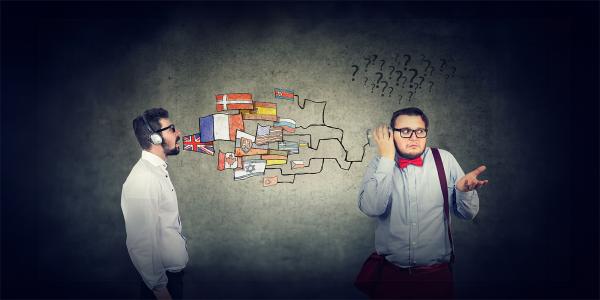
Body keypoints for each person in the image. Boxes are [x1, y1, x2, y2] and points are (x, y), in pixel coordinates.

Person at [358, 107, 488, 299]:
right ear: (390, 134)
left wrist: (462, 192)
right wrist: (386, 158)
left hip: (436, 277)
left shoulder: (445, 159)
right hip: (391, 276)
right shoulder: (379, 164)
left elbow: (468, 215)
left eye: (419, 131)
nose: (413, 137)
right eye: (405, 131)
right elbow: (371, 208)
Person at [121, 108, 188, 300]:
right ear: (155, 139)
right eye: (172, 129)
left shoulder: (157, 172)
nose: (179, 133)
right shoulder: (144, 178)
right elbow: (141, 243)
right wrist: (161, 290)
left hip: (170, 279)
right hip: (162, 286)